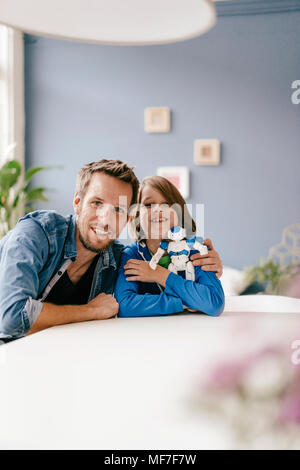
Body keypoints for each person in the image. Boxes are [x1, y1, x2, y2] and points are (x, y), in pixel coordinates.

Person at [0, 160, 223, 342]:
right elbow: (12, 318)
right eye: (97, 203)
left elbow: (204, 298)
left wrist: (209, 267)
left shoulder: (115, 257)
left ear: (128, 218)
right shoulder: (35, 234)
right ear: (77, 202)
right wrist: (90, 311)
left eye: (118, 209)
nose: (106, 221)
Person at [114, 176, 225, 317]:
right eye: (148, 204)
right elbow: (125, 306)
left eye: (166, 204)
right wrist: (183, 302)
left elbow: (214, 303)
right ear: (136, 217)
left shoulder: (196, 251)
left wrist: (160, 275)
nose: (158, 210)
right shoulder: (131, 255)